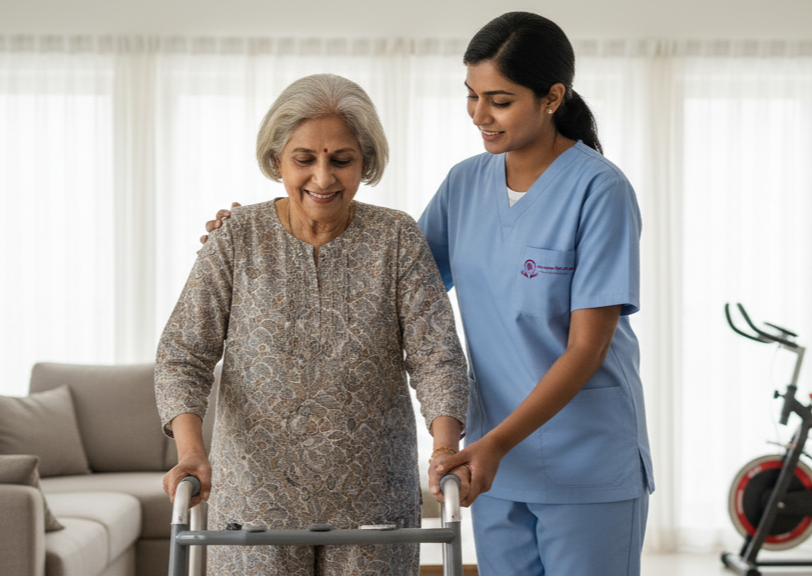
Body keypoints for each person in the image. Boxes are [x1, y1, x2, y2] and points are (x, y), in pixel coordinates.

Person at [203, 12, 653, 575]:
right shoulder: (466, 184)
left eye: (499, 101)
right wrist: (264, 233)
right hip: (491, 463)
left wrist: (493, 444)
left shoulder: (601, 190)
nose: (479, 115)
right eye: (472, 96)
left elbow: (587, 348)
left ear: (552, 98)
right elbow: (387, 280)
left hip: (583, 457)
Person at [157, 73, 469, 576]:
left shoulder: (396, 238)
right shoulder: (237, 238)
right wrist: (191, 452)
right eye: (304, 159)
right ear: (276, 160)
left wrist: (445, 448)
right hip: (254, 502)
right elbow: (183, 353)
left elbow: (437, 356)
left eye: (341, 160)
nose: (322, 179)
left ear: (365, 162)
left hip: (373, 503)